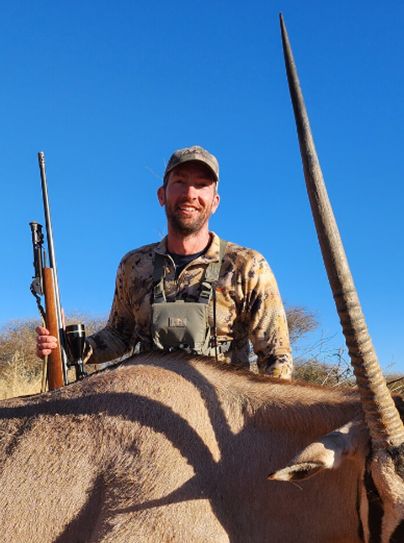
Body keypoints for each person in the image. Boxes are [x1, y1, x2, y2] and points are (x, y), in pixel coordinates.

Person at [36, 145, 292, 379]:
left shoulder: (247, 265)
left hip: (222, 418)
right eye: (180, 182)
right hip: (146, 408)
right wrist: (69, 348)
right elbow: (118, 336)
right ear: (161, 195)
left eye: (202, 185)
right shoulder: (134, 264)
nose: (190, 193)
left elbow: (275, 356)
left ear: (214, 203)